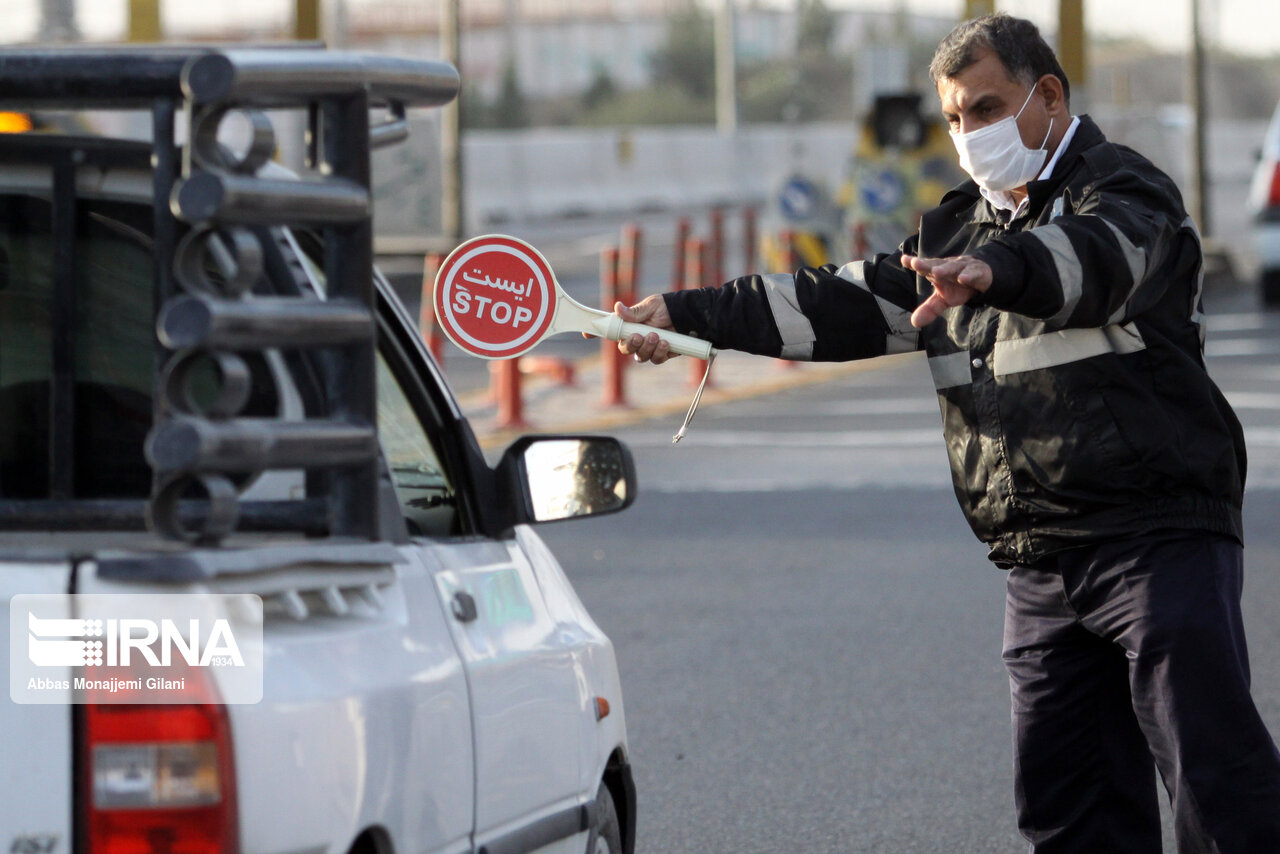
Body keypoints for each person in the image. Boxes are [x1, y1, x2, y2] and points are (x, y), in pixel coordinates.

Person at [616, 13, 1280, 854]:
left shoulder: (1123, 191)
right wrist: (685, 315)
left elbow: (1093, 261)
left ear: (1048, 96)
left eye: (987, 108)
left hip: (1158, 542)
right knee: (1068, 810)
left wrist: (1000, 270)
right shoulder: (953, 234)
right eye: (957, 117)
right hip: (1038, 561)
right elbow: (830, 301)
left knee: (1217, 790)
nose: (970, 133)